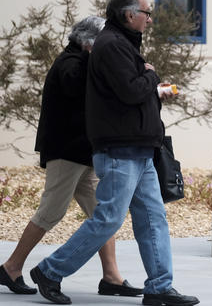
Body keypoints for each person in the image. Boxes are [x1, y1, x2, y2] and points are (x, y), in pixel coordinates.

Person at [30, 0, 199, 306]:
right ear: (129, 14)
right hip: (120, 149)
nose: (150, 20)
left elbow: (132, 92)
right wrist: (152, 75)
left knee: (153, 218)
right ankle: (50, 270)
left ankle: (160, 287)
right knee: (108, 218)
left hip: (139, 148)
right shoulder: (111, 46)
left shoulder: (122, 45)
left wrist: (149, 82)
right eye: (147, 13)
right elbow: (131, 91)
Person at [0, 16, 142, 298]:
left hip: (84, 154)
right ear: (89, 43)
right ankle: (11, 267)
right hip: (66, 153)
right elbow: (76, 85)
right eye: (102, 42)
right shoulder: (71, 64)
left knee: (102, 214)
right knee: (52, 211)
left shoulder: (81, 62)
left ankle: (111, 277)